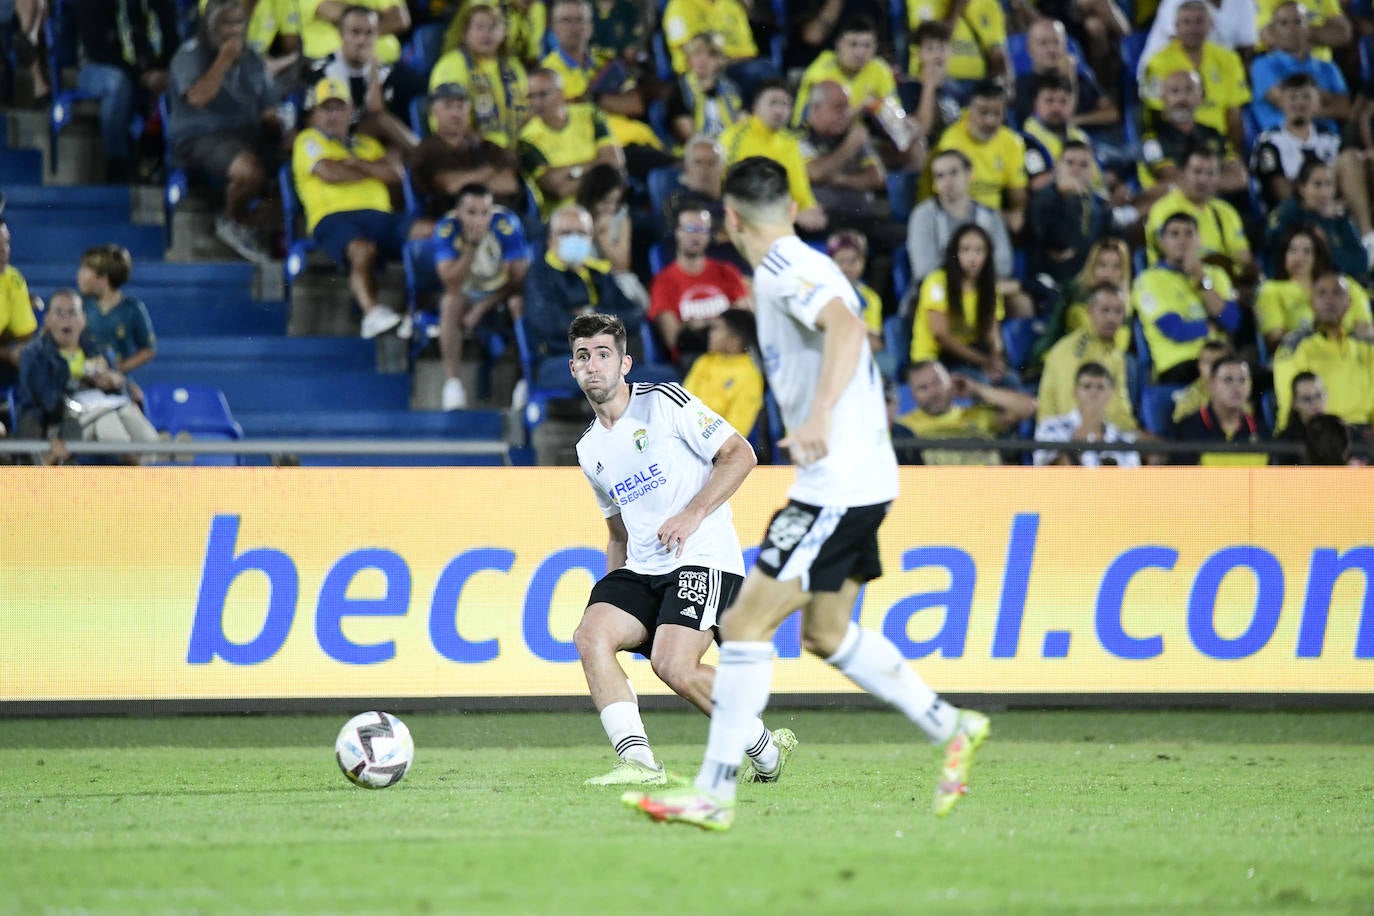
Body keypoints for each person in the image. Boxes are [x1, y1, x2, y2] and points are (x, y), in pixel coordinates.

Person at [623, 157, 991, 831]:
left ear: (731, 220)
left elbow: (846, 330)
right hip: (865, 478)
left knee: (741, 626)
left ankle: (713, 792)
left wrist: (818, 413)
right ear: (792, 206)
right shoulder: (808, 262)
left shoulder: (781, 270)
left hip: (837, 483)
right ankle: (953, 724)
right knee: (824, 632)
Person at [567, 312, 794, 786]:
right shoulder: (589, 449)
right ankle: (640, 764)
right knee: (590, 636)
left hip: (703, 557)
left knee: (673, 666)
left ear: (625, 363)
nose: (593, 365)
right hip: (644, 567)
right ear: (573, 368)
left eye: (603, 355)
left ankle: (763, 745)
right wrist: (610, 591)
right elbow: (618, 533)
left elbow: (741, 454)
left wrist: (692, 513)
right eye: (583, 356)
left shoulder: (664, 401)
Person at [291, 76, 409, 339]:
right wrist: (372, 169)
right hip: (334, 218)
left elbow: (396, 174)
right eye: (326, 108)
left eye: (338, 107)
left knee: (426, 233)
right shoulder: (308, 140)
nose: (332, 115)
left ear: (350, 111)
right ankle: (372, 313)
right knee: (361, 249)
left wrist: (355, 164)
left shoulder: (367, 144)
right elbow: (329, 172)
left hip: (381, 216)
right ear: (315, 113)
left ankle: (418, 312)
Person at [169, 0, 281, 264]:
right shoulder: (190, 54)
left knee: (298, 173)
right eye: (225, 23)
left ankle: (243, 225)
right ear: (209, 26)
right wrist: (224, 59)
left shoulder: (253, 59)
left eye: (238, 23)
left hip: (247, 135)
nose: (232, 30)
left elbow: (268, 113)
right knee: (249, 170)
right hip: (200, 136)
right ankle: (232, 220)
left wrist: (284, 133)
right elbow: (198, 97)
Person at [14, 289, 159, 458]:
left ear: (83, 319)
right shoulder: (34, 354)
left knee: (139, 427)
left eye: (73, 313)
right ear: (47, 319)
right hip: (63, 422)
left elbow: (120, 393)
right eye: (60, 313)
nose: (67, 319)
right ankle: (137, 475)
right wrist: (84, 382)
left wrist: (115, 382)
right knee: (111, 427)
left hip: (105, 408)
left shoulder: (95, 347)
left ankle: (156, 457)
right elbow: (49, 403)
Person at [524, 204, 645, 387]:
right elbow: (549, 324)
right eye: (566, 233)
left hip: (608, 359)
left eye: (582, 233)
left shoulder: (600, 273)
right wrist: (607, 325)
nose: (574, 238)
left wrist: (589, 314)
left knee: (665, 376)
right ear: (551, 238)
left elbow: (634, 316)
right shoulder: (539, 275)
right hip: (560, 358)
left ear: (591, 237)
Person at [432, 184, 530, 410]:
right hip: (466, 292)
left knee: (520, 304)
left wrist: (483, 307)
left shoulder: (506, 225)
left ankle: (525, 381)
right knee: (449, 303)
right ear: (458, 212)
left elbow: (519, 279)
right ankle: (453, 384)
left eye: (485, 212)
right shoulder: (446, 229)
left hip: (501, 293)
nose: (479, 219)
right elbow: (451, 283)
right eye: (472, 212)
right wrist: (471, 246)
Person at [71, 0, 179, 183]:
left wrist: (163, 71)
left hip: (150, 69)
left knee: (182, 80)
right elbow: (97, 48)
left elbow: (172, 39)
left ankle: (162, 160)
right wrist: (140, 76)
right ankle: (117, 163)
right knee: (117, 83)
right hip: (98, 67)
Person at [1134, 212, 1239, 383]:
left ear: (1200, 240)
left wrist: (1202, 279)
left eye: (1189, 233)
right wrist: (1212, 327)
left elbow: (1230, 321)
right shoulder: (1149, 280)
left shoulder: (1215, 275)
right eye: (1174, 234)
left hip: (1221, 361)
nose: (1182, 240)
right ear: (1162, 242)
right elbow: (1176, 330)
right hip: (1180, 364)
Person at [1140, 0, 1251, 154]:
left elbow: (1234, 114)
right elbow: (1156, 114)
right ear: (1176, 26)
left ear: (1210, 24)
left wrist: (1236, 154)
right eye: (1186, 22)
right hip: (1175, 144)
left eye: (1199, 21)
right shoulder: (1157, 63)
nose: (1193, 28)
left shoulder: (1229, 60)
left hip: (1218, 144)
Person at [409, 82, 523, 229]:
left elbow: (510, 184)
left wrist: (467, 183)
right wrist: (490, 172)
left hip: (504, 219)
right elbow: (450, 185)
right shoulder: (426, 151)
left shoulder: (485, 146)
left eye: (461, 106)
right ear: (433, 111)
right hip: (457, 225)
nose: (456, 113)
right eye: (448, 106)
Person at [306, 5, 417, 155]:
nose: (362, 40)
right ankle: (424, 154)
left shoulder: (384, 70)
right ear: (341, 34)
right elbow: (312, 119)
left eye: (369, 33)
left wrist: (373, 72)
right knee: (383, 123)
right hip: (331, 135)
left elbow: (376, 112)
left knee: (396, 152)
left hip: (368, 136)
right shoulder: (322, 68)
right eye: (355, 33)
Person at [1272, 272, 1374, 435]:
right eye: (1322, 293)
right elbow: (1290, 404)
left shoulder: (1367, 349)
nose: (1329, 299)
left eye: (1337, 293)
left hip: (1362, 438)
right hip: (1314, 435)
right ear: (1311, 302)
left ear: (1349, 303)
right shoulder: (1295, 346)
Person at [719, 80, 827, 234]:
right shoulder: (733, 137)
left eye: (785, 104)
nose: (779, 110)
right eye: (773, 103)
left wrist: (811, 209)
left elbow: (800, 190)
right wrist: (793, 216)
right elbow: (730, 190)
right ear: (756, 107)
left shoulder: (790, 142)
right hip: (746, 218)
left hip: (784, 219)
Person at [649, 208, 750, 366]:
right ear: (677, 232)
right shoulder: (664, 281)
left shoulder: (727, 272)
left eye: (702, 229)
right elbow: (673, 339)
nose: (695, 235)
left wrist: (702, 324)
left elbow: (745, 320)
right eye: (689, 229)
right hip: (695, 358)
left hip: (735, 354)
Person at [517, 68, 625, 216]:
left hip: (607, 208)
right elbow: (558, 189)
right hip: (565, 217)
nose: (536, 102)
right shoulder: (525, 139)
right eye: (530, 96)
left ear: (561, 94)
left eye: (543, 95)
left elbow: (614, 162)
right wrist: (597, 165)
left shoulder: (590, 113)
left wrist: (572, 173)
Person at [909, 224, 1008, 383]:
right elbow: (941, 335)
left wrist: (996, 359)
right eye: (965, 250)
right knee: (982, 382)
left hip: (972, 357)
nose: (972, 258)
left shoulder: (990, 287)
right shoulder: (936, 282)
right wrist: (984, 361)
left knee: (1011, 381)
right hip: (934, 361)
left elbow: (993, 332)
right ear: (955, 253)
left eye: (979, 251)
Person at [797, 81, 896, 234]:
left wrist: (838, 179)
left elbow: (877, 178)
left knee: (900, 235)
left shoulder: (851, 133)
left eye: (847, 107)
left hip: (863, 218)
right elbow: (816, 173)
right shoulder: (800, 137)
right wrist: (850, 147)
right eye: (838, 107)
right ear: (816, 108)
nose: (845, 113)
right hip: (824, 218)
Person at [1255, 226, 1373, 354]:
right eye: (1292, 250)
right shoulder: (1271, 290)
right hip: (1302, 359)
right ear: (1283, 255)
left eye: (1307, 251)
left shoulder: (1347, 285)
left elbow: (1366, 331)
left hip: (1352, 356)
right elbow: (1275, 339)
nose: (1299, 257)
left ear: (1318, 256)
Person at [894, 358, 1037, 464]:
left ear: (951, 382)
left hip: (987, 493)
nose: (933, 392)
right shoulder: (904, 427)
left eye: (937, 382)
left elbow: (1029, 408)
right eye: (923, 388)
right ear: (913, 396)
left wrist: (978, 389)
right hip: (936, 497)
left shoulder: (977, 415)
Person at [932, 79, 1029, 234]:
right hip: (959, 218)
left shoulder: (1012, 142)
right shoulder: (952, 142)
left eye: (996, 113)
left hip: (996, 222)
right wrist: (995, 217)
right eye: (983, 113)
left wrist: (1017, 212)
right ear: (969, 110)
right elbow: (949, 198)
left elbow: (1017, 193)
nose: (990, 121)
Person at [1037, 283, 1137, 432]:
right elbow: (1072, 409)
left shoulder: (1115, 353)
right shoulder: (1073, 350)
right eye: (1105, 310)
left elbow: (1121, 407)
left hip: (1108, 432)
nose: (1111, 317)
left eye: (1118, 311)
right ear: (1089, 312)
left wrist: (1132, 433)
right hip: (1063, 436)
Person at [428, 3, 529, 148]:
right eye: (479, 27)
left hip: (516, 145)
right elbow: (449, 122)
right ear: (465, 33)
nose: (486, 34)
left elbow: (528, 107)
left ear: (503, 32)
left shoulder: (514, 66)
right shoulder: (451, 66)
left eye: (493, 27)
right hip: (471, 148)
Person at [906, 149, 1013, 284]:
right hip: (939, 289)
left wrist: (973, 283)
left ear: (969, 173)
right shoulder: (923, 215)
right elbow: (923, 269)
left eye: (954, 173)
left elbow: (1004, 264)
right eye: (940, 176)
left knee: (1021, 303)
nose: (947, 181)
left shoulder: (990, 215)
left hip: (984, 287)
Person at [1144, 148, 1253, 278]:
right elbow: (1172, 254)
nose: (1203, 179)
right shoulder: (1163, 209)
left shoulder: (1226, 212)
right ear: (1182, 173)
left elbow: (1243, 257)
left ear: (1218, 178)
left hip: (1222, 284)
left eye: (1210, 173)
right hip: (1173, 282)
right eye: (1197, 172)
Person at [1249, 1, 1349, 134]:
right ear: (1274, 29)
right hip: (1281, 140)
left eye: (1298, 22)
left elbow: (1345, 108)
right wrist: (1325, 99)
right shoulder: (1262, 65)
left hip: (1327, 140)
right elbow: (1285, 103)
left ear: (1309, 27)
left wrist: (1300, 100)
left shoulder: (1328, 67)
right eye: (1284, 23)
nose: (1291, 28)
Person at [1250, 73, 1346, 211]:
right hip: (1290, 218)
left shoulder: (1331, 139)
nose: (1299, 103)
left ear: (1317, 102)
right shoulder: (1268, 142)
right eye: (1293, 97)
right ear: (1282, 102)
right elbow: (1281, 194)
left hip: (1333, 212)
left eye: (1306, 97)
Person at [1025, 139, 1111, 288]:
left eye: (1084, 165)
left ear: (1092, 172)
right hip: (1047, 280)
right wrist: (1070, 197)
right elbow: (1061, 245)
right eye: (1069, 163)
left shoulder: (1100, 207)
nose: (1076, 169)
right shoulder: (1042, 199)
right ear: (1057, 167)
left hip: (1088, 280)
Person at [1264, 159, 1368, 281]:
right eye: (1317, 185)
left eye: (1329, 184)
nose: (1324, 193)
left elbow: (1361, 263)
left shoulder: (1339, 218)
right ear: (1302, 188)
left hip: (1336, 286)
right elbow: (1273, 246)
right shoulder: (1287, 212)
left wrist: (1327, 240)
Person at [1012, 18, 1118, 129]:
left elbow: (1112, 113)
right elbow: (1051, 122)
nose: (1051, 49)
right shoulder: (1023, 84)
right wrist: (1070, 79)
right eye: (1043, 43)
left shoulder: (1081, 78)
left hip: (1088, 140)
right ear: (1029, 49)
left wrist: (1077, 121)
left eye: (1056, 42)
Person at [682, 308, 765, 445]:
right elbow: (683, 404)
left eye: (716, 329)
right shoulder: (704, 361)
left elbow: (738, 429)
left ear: (734, 340)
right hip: (687, 439)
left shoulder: (749, 374)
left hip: (719, 448)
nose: (710, 334)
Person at [1169, 353, 1270, 465]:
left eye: (1242, 380)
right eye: (1228, 380)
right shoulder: (1188, 429)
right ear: (1211, 385)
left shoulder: (1261, 430)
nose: (1236, 388)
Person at [1033, 362, 1141, 466]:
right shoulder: (1050, 427)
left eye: (1100, 387)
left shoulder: (1124, 440)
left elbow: (1133, 483)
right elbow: (1048, 477)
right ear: (1075, 392)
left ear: (1110, 393)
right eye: (1087, 386)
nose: (1094, 393)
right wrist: (1087, 427)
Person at [76, 245, 156, 375]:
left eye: (85, 270)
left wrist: (119, 369)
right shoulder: (78, 305)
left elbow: (148, 350)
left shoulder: (132, 309)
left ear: (103, 278)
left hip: (115, 384)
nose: (79, 274)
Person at [828, 231, 892, 378]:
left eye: (852, 261)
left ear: (862, 262)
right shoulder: (821, 293)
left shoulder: (870, 298)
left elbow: (874, 342)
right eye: (840, 261)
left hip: (859, 354)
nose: (846, 268)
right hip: (829, 355)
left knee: (885, 364)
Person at [664, 32, 746, 146]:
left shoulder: (731, 88)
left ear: (719, 60)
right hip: (698, 152)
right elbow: (687, 134)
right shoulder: (680, 90)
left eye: (711, 55)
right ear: (689, 58)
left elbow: (742, 123)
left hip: (731, 147)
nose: (703, 60)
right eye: (697, 54)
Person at [0, 219, 38, 393]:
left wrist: (17, 351)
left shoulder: (13, 278)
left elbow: (26, 334)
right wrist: (7, 353)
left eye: (6, 242)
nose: (4, 251)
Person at [1273, 369, 1326, 462]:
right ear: (1295, 403)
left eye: (1318, 395)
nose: (1315, 404)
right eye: (1306, 399)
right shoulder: (1285, 441)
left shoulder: (1341, 430)